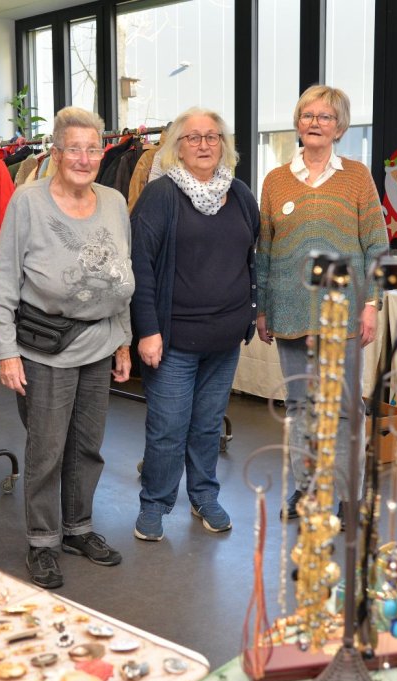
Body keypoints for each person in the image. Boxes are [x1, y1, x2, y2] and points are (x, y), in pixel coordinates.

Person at [0, 107, 134, 590]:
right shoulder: (28, 201)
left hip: (101, 341)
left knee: (88, 447)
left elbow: (122, 276)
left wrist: (123, 341)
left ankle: (78, 528)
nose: (84, 158)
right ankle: (43, 541)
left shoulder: (114, 201)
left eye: (93, 149)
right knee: (47, 450)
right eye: (74, 149)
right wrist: (6, 351)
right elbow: (4, 280)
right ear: (55, 153)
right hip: (45, 348)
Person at [256, 85, 389, 519]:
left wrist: (371, 304)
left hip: (344, 312)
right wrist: (262, 307)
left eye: (325, 117)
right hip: (289, 310)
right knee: (299, 406)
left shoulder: (357, 176)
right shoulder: (275, 180)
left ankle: (349, 496)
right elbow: (264, 250)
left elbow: (377, 245)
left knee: (346, 408)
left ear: (340, 127)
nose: (315, 123)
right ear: (298, 123)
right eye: (308, 115)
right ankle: (306, 490)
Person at [129, 107, 259, 542]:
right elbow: (140, 266)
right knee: (168, 428)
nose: (204, 145)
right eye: (194, 138)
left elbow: (251, 256)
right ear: (178, 148)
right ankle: (155, 504)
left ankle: (204, 496)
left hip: (224, 341)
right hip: (173, 341)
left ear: (224, 144)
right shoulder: (161, 196)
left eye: (212, 136)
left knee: (207, 426)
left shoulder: (240, 194)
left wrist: (251, 312)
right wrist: (148, 330)